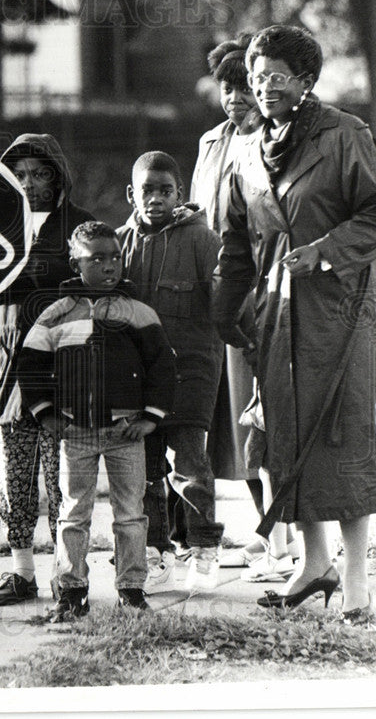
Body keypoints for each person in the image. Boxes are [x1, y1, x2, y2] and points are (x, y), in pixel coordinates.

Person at [213, 25, 376, 624]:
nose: (264, 88)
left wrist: (323, 249)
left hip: (341, 314)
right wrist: (229, 306)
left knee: (341, 438)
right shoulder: (246, 150)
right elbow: (237, 242)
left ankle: (356, 579)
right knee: (286, 437)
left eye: (277, 77)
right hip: (276, 316)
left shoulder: (345, 135)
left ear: (306, 81)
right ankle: (313, 564)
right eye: (257, 76)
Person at [16, 221, 177, 620]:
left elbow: (163, 368)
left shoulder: (137, 312)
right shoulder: (57, 314)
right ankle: (72, 593)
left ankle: (132, 589)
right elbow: (31, 364)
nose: (109, 266)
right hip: (77, 432)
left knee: (131, 514)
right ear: (76, 263)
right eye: (97, 258)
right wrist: (46, 414)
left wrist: (151, 418)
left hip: (127, 431)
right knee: (73, 514)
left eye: (115, 257)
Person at [190, 37, 301, 579]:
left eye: (243, 88)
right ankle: (265, 534)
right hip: (217, 291)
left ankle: (284, 542)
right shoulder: (212, 141)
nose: (234, 98)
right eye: (226, 88)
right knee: (229, 428)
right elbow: (200, 214)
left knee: (260, 418)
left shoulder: (273, 144)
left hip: (261, 290)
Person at [0, 134, 96, 606]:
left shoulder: (80, 227)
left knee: (63, 477)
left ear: (58, 177)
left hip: (62, 368)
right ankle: (22, 571)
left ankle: (66, 574)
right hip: (12, 367)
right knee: (15, 474)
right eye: (20, 175)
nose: (29, 184)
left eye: (40, 174)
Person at [117, 151, 225, 593]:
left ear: (180, 194)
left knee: (191, 466)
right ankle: (155, 553)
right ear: (132, 194)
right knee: (143, 471)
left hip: (191, 372)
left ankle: (203, 550)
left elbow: (225, 298)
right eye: (147, 190)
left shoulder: (202, 241)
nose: (156, 199)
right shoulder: (120, 243)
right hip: (137, 381)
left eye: (165, 190)